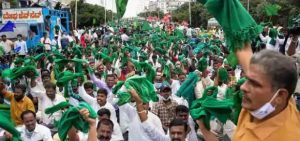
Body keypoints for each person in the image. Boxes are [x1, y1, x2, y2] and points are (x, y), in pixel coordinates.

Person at [230, 49, 300, 141]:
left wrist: (205, 130)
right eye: (247, 79)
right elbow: (243, 50)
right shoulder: (280, 100)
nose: (243, 87)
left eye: (255, 84)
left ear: (280, 96)